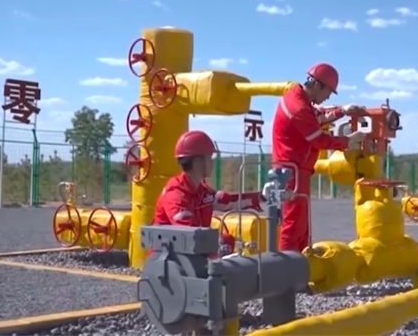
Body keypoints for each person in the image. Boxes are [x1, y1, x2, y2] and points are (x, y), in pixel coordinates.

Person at [272, 62, 366, 252]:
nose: (328, 97)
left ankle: (301, 263)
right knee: (292, 225)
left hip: (295, 170)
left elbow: (319, 115)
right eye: (328, 92)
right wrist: (348, 141)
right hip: (291, 171)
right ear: (316, 84)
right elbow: (319, 140)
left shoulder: (300, 100)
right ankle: (286, 267)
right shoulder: (298, 107)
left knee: (301, 225)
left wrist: (343, 110)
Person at [152, 129, 264, 257]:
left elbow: (227, 202)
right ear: (197, 161)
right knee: (223, 245)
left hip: (192, 257)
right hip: (170, 261)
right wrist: (215, 254)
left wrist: (262, 197)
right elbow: (191, 235)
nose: (212, 162)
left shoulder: (201, 190)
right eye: (209, 157)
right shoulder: (176, 195)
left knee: (226, 240)